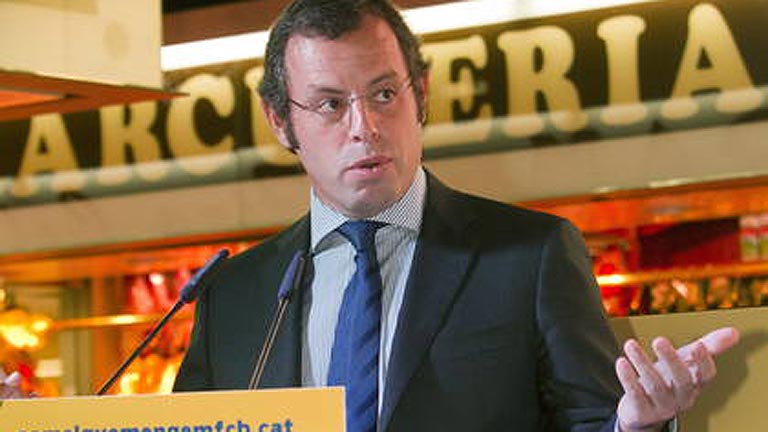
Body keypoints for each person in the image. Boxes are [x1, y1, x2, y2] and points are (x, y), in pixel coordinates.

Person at [171, 1, 739, 431]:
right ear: (279, 121)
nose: (364, 127)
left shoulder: (530, 256)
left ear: (420, 93)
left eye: (384, 94)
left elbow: (590, 420)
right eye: (330, 104)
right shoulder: (233, 294)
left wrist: (633, 426)